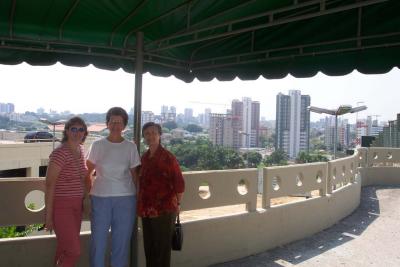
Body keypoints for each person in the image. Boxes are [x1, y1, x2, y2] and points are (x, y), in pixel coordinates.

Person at [86, 107, 140, 267]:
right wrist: (87, 197)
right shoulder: (97, 145)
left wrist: (138, 198)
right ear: (107, 124)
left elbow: (135, 175)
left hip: (126, 199)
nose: (116, 125)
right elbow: (87, 172)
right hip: (100, 198)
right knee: (98, 242)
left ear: (124, 125)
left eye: (119, 122)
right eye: (112, 121)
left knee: (121, 244)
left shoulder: (130, 147)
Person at [138, 122, 185, 267]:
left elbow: (179, 184)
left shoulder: (168, 157)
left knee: (162, 251)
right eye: (147, 133)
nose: (150, 136)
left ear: (159, 135)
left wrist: (178, 204)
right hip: (146, 210)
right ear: (144, 137)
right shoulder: (144, 158)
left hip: (164, 210)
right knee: (150, 249)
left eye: (154, 132)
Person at [44, 116, 89, 267]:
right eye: (73, 129)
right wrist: (48, 217)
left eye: (81, 129)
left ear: (85, 133)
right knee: (74, 251)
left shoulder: (81, 150)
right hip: (62, 208)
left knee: (64, 247)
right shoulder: (60, 153)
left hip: (77, 207)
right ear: (67, 131)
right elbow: (50, 184)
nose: (77, 132)